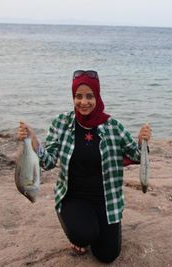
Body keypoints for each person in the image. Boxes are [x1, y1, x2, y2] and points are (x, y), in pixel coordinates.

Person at [17, 70, 152, 263]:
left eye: (89, 96)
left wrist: (142, 141)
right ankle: (73, 224)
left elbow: (137, 156)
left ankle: (100, 228)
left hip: (106, 200)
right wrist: (34, 143)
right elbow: (47, 162)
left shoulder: (113, 126)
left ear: (97, 96)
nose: (83, 102)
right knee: (83, 235)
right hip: (73, 197)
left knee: (107, 255)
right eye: (78, 96)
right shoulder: (61, 123)